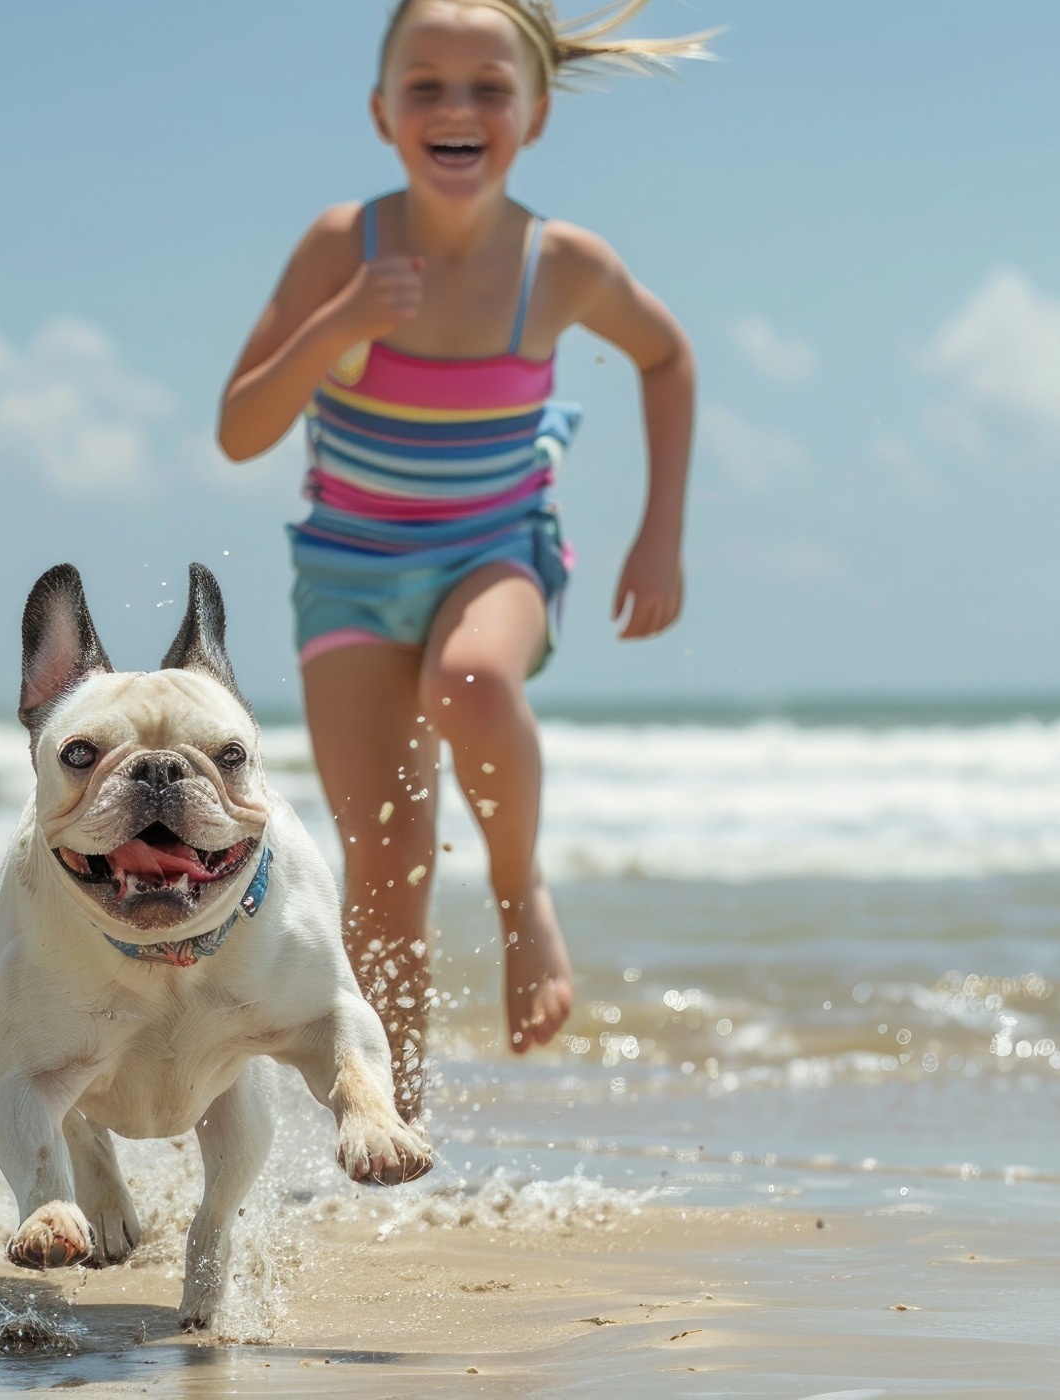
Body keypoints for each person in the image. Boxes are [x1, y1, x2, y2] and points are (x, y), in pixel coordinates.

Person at [216, 0, 704, 1119]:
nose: (457, 106)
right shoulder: (344, 245)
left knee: (475, 680)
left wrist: (660, 528)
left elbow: (666, 354)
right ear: (382, 111)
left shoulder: (561, 263)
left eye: (489, 86)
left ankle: (521, 890)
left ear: (532, 118)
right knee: (382, 877)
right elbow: (242, 427)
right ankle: (400, 1132)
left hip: (495, 549)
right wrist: (336, 319)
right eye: (426, 84)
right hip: (347, 569)